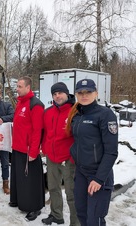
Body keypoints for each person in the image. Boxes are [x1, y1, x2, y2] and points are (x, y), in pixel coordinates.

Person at [66, 79, 118, 226]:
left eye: (88, 92)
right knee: (81, 213)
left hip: (98, 175)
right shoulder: (77, 115)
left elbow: (111, 152)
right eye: (80, 92)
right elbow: (77, 141)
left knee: (95, 219)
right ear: (76, 94)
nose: (84, 95)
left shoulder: (105, 115)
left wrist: (99, 179)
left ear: (96, 93)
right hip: (81, 173)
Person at [41, 82, 80, 226]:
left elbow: (79, 136)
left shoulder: (75, 111)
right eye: (54, 94)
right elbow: (45, 133)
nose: (57, 96)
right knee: (53, 187)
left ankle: (75, 222)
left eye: (60, 93)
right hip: (52, 157)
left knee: (71, 193)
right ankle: (56, 215)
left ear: (67, 93)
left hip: (69, 159)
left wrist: (73, 155)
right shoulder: (48, 112)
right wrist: (44, 148)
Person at [9, 76, 45, 221]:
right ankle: (19, 199)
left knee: (30, 180)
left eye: (19, 86)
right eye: (16, 86)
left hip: (29, 149)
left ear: (28, 88)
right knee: (19, 177)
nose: (17, 89)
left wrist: (34, 151)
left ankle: (34, 207)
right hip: (17, 147)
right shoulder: (20, 102)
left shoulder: (35, 105)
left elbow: (38, 130)